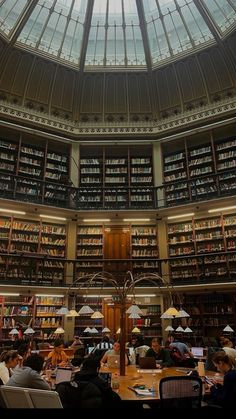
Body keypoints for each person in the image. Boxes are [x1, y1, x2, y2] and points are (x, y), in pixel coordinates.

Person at [56, 356, 122, 408]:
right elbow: (115, 399)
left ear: (82, 367)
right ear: (97, 369)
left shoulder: (71, 381)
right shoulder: (100, 383)